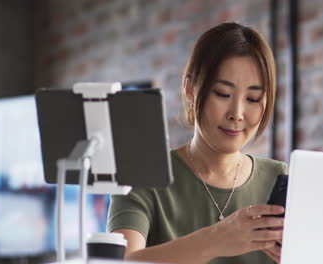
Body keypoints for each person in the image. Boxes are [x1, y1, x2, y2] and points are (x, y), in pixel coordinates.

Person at [107, 22, 287, 264]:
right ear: (190, 89)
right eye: (223, 94)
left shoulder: (281, 179)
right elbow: (120, 262)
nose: (237, 113)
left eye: (253, 98)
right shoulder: (143, 177)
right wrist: (215, 240)